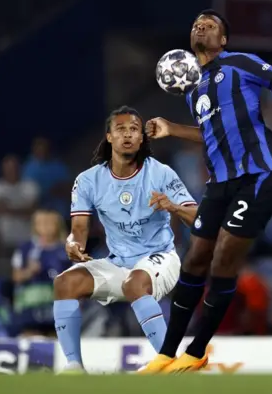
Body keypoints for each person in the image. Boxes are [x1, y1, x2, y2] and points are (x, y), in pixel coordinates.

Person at [140, 9, 272, 373]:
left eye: (210, 25)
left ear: (222, 40)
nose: (201, 26)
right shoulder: (192, 90)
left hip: (258, 176)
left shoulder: (241, 62)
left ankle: (195, 353)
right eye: (196, 23)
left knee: (224, 254)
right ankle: (165, 354)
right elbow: (208, 133)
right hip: (219, 183)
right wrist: (172, 129)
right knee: (194, 260)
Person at [52, 106, 198, 372]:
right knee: (65, 283)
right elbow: (79, 228)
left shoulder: (161, 173)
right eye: (121, 130)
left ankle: (169, 362)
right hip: (118, 263)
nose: (128, 135)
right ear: (109, 136)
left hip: (161, 259)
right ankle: (74, 367)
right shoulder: (88, 180)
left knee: (135, 283)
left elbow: (199, 219)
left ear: (142, 138)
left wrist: (174, 207)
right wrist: (73, 244)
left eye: (134, 129)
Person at [12, 210, 70, 337]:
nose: (45, 227)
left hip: (55, 307)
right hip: (30, 308)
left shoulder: (67, 251)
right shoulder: (25, 249)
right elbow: (16, 276)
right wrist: (29, 271)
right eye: (41, 223)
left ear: (57, 225)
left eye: (49, 223)